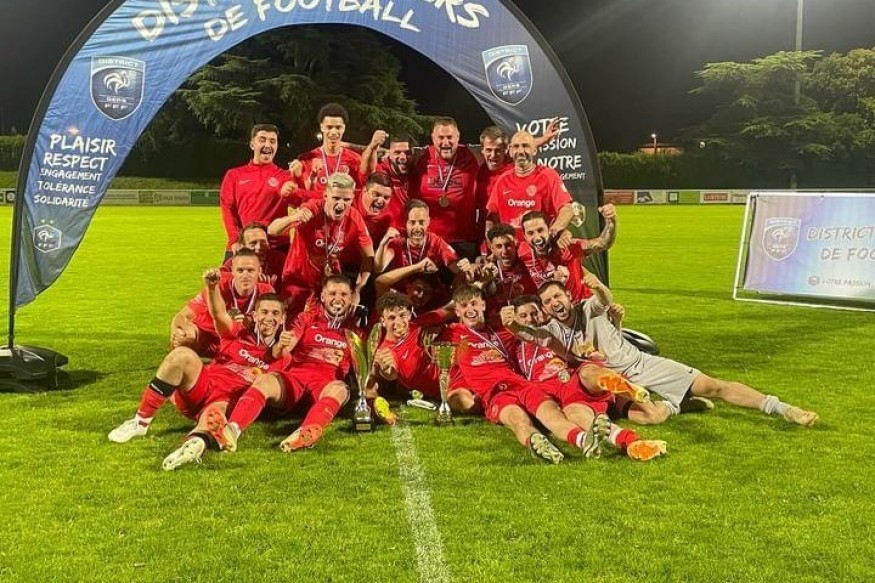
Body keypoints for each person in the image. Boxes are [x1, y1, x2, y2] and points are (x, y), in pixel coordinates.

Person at [532, 279, 819, 426]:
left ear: (568, 296)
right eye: (547, 301)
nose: (554, 302)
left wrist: (599, 287)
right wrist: (513, 323)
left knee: (714, 386)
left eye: (557, 295)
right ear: (544, 309)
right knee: (651, 418)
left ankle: (784, 409)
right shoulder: (552, 331)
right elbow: (530, 335)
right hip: (611, 384)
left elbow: (604, 300)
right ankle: (676, 405)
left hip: (640, 364)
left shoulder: (588, 307)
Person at [108, 268, 287, 470]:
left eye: (275, 313)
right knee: (181, 355)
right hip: (202, 386)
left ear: (282, 319)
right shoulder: (238, 332)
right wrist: (212, 287)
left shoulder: (284, 355)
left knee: (214, 417)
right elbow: (219, 314)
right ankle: (140, 422)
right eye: (264, 312)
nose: (269, 318)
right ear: (254, 315)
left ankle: (194, 444)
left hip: (226, 401)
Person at [446, 284, 629, 463]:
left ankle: (583, 440)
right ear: (457, 311)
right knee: (518, 420)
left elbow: (538, 333)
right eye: (464, 306)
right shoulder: (452, 334)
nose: (470, 309)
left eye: (474, 303)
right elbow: (428, 323)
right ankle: (537, 442)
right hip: (496, 394)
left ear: (483, 305)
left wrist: (609, 327)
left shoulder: (503, 330)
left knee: (552, 413)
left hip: (523, 385)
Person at [502, 297, 667, 461]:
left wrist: (616, 324)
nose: (530, 319)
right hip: (569, 396)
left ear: (542, 313)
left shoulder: (554, 332)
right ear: (515, 318)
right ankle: (631, 442)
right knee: (577, 414)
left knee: (591, 374)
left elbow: (600, 345)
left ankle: (629, 388)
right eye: (523, 316)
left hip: (585, 381)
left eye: (534, 313)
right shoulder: (514, 349)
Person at [212, 275, 362, 453]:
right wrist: (282, 344)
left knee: (341, 389)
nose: (338, 298)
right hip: (296, 379)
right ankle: (232, 430)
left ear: (351, 298)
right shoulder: (306, 318)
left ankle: (304, 433)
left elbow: (362, 369)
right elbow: (282, 350)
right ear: (323, 296)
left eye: (343, 294)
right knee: (265, 380)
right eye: (333, 293)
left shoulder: (355, 332)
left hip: (325, 385)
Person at [269, 172, 375, 314]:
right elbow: (272, 230)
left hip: (328, 283)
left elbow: (369, 257)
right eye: (336, 198)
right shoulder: (312, 209)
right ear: (325, 196)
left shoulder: (355, 219)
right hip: (298, 281)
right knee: (294, 323)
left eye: (346, 200)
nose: (341, 204)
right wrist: (293, 218)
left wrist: (357, 289)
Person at [169, 249, 274, 357]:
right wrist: (178, 333)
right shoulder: (217, 284)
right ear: (232, 271)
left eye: (250, 270)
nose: (245, 275)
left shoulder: (266, 292)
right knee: (185, 337)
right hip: (205, 335)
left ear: (259, 271)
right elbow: (183, 315)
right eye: (240, 270)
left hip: (234, 343)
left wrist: (249, 321)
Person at [219, 124, 298, 255]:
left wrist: (303, 176)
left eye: (272, 141)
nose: (267, 145)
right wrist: (234, 240)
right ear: (252, 144)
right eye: (262, 140)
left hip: (277, 246)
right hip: (243, 244)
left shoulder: (286, 176)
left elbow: (301, 202)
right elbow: (228, 209)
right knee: (228, 270)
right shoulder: (234, 175)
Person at [410, 117, 483, 259]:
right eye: (440, 138)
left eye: (450, 137)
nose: (445, 142)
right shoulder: (421, 156)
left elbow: (502, 148)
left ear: (458, 137)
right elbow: (392, 153)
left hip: (464, 240)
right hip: (430, 239)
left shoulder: (472, 154)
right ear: (432, 138)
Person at [485, 130, 574, 239]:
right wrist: (491, 242)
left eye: (525, 146)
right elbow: (491, 217)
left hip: (540, 246)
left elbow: (567, 209)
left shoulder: (548, 175)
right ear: (510, 151)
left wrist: (554, 230)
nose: (521, 151)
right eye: (516, 146)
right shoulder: (503, 180)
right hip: (511, 248)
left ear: (534, 150)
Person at [517, 208, 615, 301]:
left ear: (549, 230)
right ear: (525, 237)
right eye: (530, 233)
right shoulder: (521, 252)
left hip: (580, 305)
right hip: (550, 308)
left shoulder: (566, 247)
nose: (537, 237)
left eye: (540, 230)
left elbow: (603, 243)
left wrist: (611, 222)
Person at [294, 103, 364, 196]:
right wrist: (310, 177)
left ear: (344, 128)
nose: (334, 132)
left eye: (338, 127)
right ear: (322, 127)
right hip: (315, 204)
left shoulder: (355, 159)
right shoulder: (307, 159)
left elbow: (360, 191)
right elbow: (302, 192)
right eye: (329, 127)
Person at [221, 223, 285, 287]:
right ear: (243, 248)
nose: (259, 247)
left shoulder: (279, 259)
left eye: (263, 242)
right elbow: (220, 277)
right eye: (253, 243)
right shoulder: (235, 262)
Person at [353, 172, 396, 244]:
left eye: (386, 197)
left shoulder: (387, 219)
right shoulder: (349, 200)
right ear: (364, 190)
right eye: (376, 194)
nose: (380, 201)